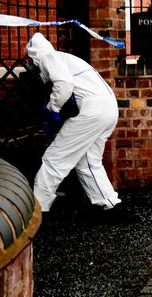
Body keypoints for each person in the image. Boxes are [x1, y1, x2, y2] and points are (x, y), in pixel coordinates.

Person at [25, 32, 124, 217]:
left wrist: (51, 108)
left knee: (55, 158)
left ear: (33, 55)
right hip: (108, 109)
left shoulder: (48, 58)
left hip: (92, 111)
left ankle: (37, 209)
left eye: (29, 60)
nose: (29, 65)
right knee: (88, 161)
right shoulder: (66, 58)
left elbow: (64, 83)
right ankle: (110, 205)